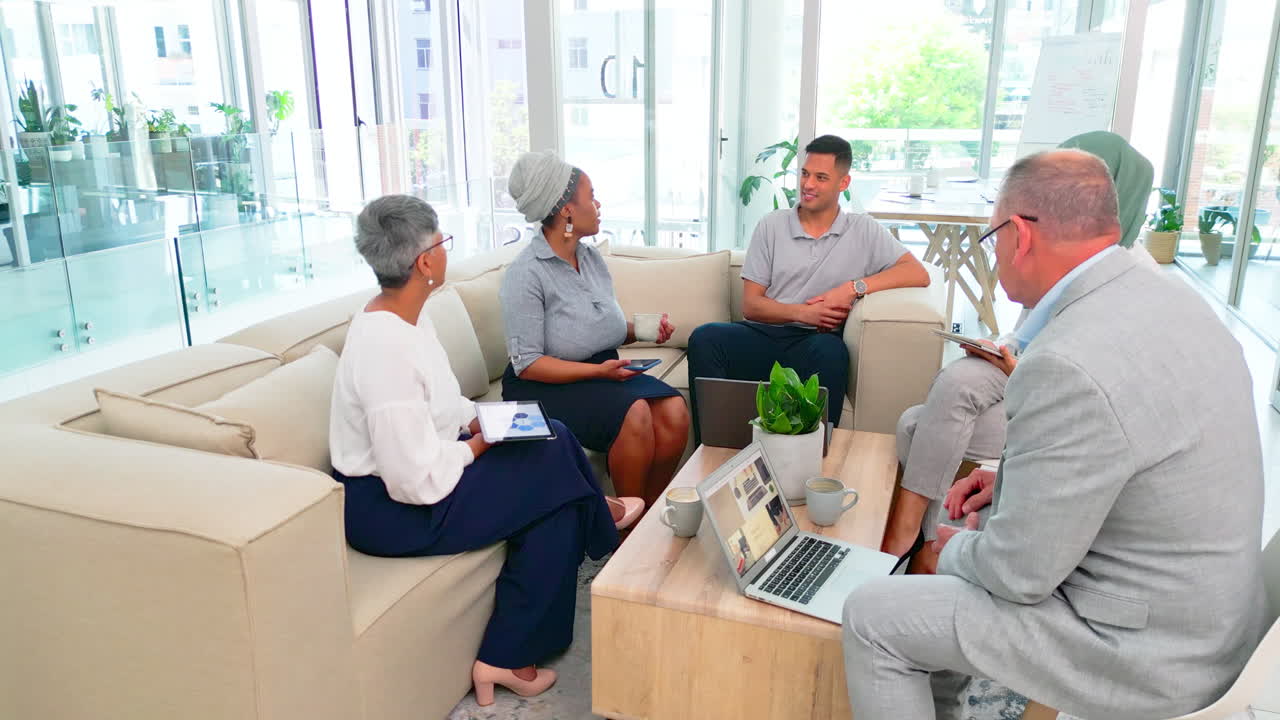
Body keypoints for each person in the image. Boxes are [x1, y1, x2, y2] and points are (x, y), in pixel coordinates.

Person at [842, 150, 1266, 720]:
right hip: (1212, 619)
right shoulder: (1169, 297)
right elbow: (1131, 453)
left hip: (1149, 651)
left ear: (1019, 235)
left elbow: (1017, 574)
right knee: (968, 537)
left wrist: (944, 549)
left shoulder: (1068, 359)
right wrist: (1011, 480)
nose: (994, 255)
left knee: (876, 615)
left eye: (992, 238)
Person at [329, 194, 626, 706]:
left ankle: (503, 656)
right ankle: (599, 520)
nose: (446, 251)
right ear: (425, 262)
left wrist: (482, 421)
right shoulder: (383, 348)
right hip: (392, 508)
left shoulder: (408, 318)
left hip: (428, 471)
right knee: (554, 466)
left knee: (549, 436)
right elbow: (412, 479)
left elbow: (445, 406)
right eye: (442, 242)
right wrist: (482, 444)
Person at [882, 131, 1155, 561]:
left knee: (932, 413)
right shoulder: (1072, 262)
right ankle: (928, 541)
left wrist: (1017, 366)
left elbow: (1077, 391)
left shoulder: (1126, 286)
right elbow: (1029, 333)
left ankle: (916, 543)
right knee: (915, 423)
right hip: (1024, 372)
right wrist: (1001, 347)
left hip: (1051, 403)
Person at [686, 135, 930, 437]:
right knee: (706, 338)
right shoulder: (772, 225)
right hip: (765, 334)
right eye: (805, 173)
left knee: (832, 353)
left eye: (821, 177)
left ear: (843, 182)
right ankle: (710, 447)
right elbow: (752, 306)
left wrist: (854, 287)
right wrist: (804, 314)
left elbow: (917, 272)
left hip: (816, 342)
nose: (808, 184)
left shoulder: (862, 229)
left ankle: (816, 455)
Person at [501, 150, 691, 510]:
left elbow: (597, 330)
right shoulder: (526, 274)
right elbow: (527, 363)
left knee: (673, 410)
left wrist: (643, 331)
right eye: (591, 196)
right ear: (566, 210)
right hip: (543, 385)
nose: (599, 204)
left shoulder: (590, 258)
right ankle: (624, 531)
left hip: (600, 373)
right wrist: (598, 371)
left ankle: (645, 516)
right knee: (635, 413)